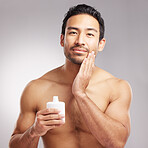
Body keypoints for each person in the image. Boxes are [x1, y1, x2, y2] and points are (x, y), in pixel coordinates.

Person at [9, 4, 132, 148]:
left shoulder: (117, 87)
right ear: (62, 39)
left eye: (90, 34)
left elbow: (116, 143)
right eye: (73, 32)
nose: (80, 41)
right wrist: (34, 131)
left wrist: (80, 94)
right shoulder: (36, 88)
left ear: (101, 44)